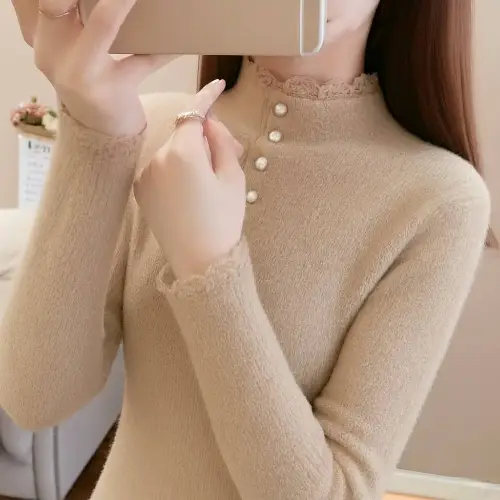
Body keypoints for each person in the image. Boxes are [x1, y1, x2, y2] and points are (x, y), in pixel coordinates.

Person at [0, 0, 492, 499]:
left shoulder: (438, 199)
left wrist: (209, 267)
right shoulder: (149, 128)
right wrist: (94, 131)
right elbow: (36, 398)